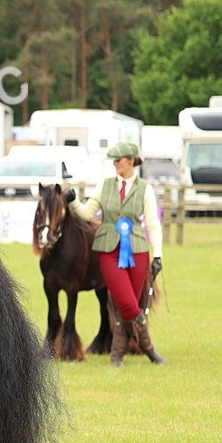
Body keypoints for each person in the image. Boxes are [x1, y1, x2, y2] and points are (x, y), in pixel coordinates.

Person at [66, 141, 166, 367]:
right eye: (113, 161)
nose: (115, 164)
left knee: (124, 306)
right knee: (127, 302)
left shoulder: (145, 189)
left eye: (118, 160)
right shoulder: (105, 185)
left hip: (138, 250)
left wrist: (157, 255)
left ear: (131, 161)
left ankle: (117, 355)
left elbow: (152, 224)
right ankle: (150, 350)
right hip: (109, 250)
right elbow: (86, 212)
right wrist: (73, 201)